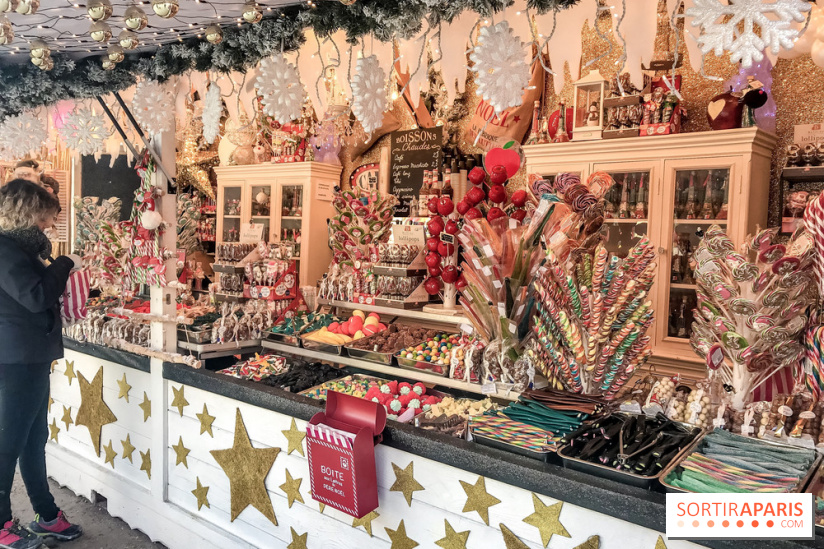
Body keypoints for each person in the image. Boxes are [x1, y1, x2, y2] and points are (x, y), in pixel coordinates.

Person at [0, 180, 83, 548]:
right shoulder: (5, 250)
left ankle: (46, 515)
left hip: (30, 355)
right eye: (47, 218)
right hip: (16, 359)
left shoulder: (20, 248)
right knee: (9, 443)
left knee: (34, 440)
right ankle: (2, 525)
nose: (50, 226)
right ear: (28, 213)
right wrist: (66, 263)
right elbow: (35, 297)